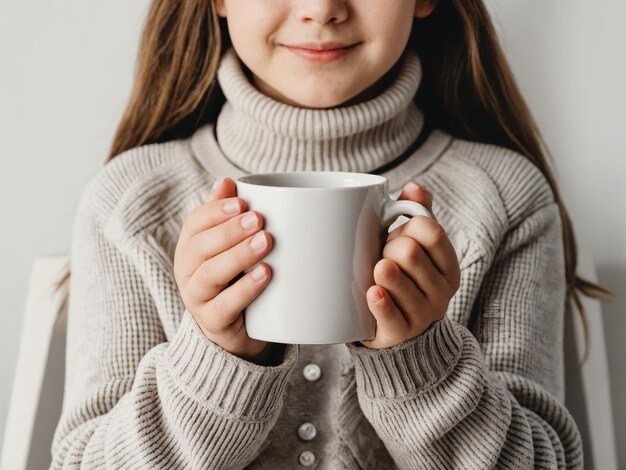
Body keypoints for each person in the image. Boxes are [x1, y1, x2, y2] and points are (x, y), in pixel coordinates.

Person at [50, 0, 613, 468]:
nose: (322, 10)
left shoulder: (506, 197)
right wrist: (216, 357)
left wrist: (421, 361)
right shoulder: (129, 202)